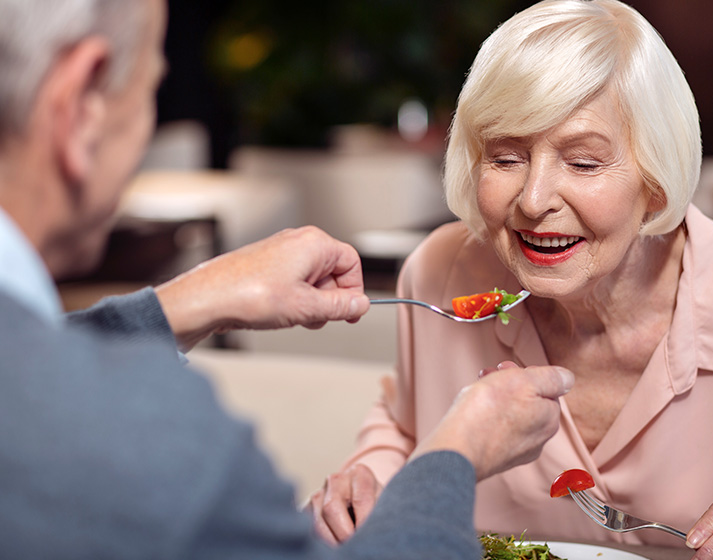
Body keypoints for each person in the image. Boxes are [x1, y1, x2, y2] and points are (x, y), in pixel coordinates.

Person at [0, 0, 576, 558]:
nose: (536, 198)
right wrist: (455, 454)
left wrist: (190, 299)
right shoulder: (164, 443)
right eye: (151, 89)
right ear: (80, 106)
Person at [310, 1, 713, 558]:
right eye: (506, 157)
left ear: (656, 180)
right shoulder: (440, 274)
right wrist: (366, 479)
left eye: (584, 163)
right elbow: (405, 426)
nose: (534, 201)